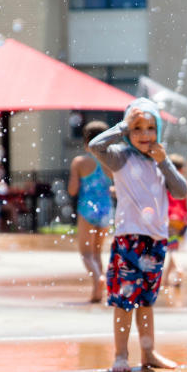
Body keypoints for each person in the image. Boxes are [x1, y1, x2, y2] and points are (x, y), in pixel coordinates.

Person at [89, 98, 187, 372]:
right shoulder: (121, 156)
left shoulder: (160, 159)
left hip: (156, 241)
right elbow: (95, 146)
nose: (144, 135)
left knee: (146, 301)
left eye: (150, 128)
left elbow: (180, 192)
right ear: (128, 131)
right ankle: (121, 355)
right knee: (124, 302)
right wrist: (122, 126)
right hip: (129, 239)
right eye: (137, 128)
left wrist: (164, 161)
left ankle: (149, 352)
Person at [68, 120, 115, 303]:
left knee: (86, 253)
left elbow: (72, 190)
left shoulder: (80, 162)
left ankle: (98, 279)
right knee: (97, 252)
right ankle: (99, 293)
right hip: (106, 208)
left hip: (87, 208)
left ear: (86, 141)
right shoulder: (110, 163)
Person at [163, 153, 187, 287]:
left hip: (170, 219)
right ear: (181, 169)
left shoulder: (165, 182)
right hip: (182, 221)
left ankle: (179, 269)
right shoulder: (183, 183)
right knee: (173, 247)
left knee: (172, 249)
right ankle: (167, 278)